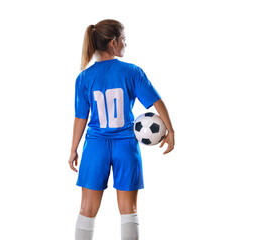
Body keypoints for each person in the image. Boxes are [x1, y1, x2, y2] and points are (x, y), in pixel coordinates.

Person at [68, 19, 175, 240]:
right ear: (114, 43)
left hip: (95, 145)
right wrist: (171, 130)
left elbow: (80, 118)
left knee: (86, 209)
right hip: (126, 145)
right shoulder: (132, 72)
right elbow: (157, 101)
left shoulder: (84, 77)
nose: (126, 44)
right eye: (124, 40)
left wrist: (73, 149)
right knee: (129, 210)